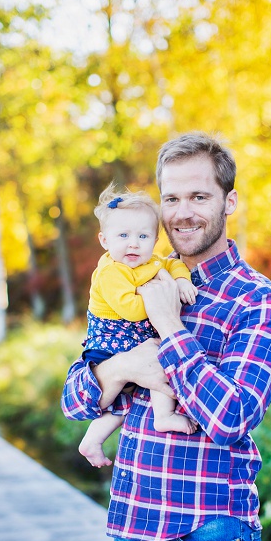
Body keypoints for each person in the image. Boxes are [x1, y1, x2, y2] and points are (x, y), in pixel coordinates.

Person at [61, 133, 271, 541]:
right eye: (171, 198)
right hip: (132, 532)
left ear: (229, 201)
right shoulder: (131, 273)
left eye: (199, 196)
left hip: (206, 539)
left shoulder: (259, 302)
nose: (182, 212)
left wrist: (168, 328)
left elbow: (231, 418)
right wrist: (120, 369)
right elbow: (76, 399)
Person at [77, 183, 197, 469]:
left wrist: (181, 281)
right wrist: (162, 304)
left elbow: (174, 266)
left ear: (155, 241)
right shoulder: (110, 272)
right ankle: (95, 438)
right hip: (110, 342)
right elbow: (130, 310)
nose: (133, 243)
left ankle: (157, 417)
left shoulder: (152, 262)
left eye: (143, 236)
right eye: (123, 235)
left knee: (141, 382)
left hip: (133, 340)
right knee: (149, 370)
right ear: (104, 240)